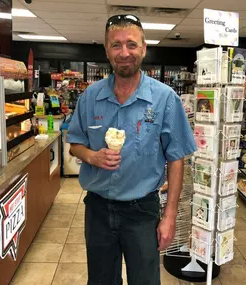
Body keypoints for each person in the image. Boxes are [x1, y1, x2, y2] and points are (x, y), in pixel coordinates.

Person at [66, 14, 196, 285]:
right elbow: (75, 144)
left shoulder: (165, 99)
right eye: (116, 45)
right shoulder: (90, 97)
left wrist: (170, 215)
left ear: (144, 48)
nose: (124, 52)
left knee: (145, 280)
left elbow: (176, 158)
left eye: (131, 44)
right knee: (101, 280)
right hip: (98, 210)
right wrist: (92, 156)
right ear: (107, 50)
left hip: (143, 212)